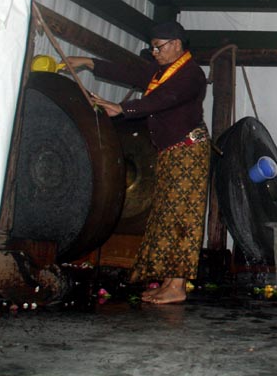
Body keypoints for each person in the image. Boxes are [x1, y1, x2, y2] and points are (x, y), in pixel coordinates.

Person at [63, 21, 209, 305]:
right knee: (168, 216)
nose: (154, 52)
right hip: (172, 152)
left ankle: (178, 285)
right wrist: (89, 62)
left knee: (183, 217)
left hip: (189, 152)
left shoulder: (191, 75)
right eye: (152, 47)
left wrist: (123, 108)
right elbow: (130, 71)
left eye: (159, 47)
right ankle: (169, 281)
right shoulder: (163, 72)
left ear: (176, 45)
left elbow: (164, 99)